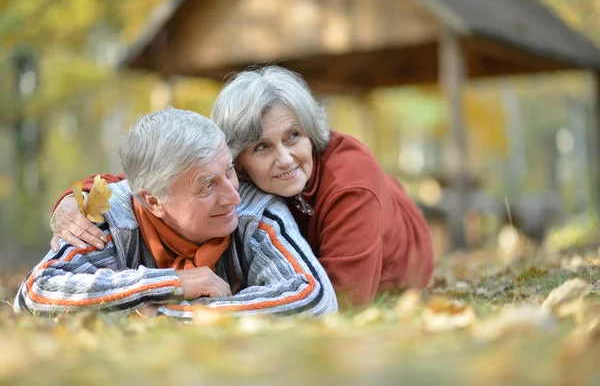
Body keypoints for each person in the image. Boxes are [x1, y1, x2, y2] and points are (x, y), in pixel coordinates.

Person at [51, 66, 434, 306]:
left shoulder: (351, 187)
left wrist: (212, 308)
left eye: (294, 136)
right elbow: (163, 174)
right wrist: (72, 198)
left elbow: (341, 304)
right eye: (262, 146)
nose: (284, 158)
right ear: (237, 157)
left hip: (393, 270)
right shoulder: (233, 171)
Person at [15, 107, 337, 320]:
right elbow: (35, 293)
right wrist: (173, 283)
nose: (232, 194)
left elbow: (314, 297)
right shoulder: (111, 220)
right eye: (207, 186)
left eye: (229, 171)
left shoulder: (254, 211)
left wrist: (177, 316)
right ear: (154, 202)